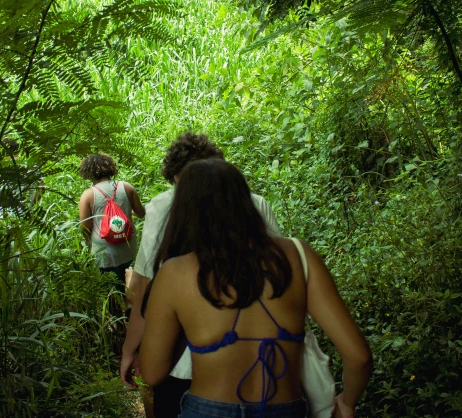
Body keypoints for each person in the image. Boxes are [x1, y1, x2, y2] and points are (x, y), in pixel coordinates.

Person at [140, 159, 372, 418]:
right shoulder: (298, 255)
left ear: (185, 210)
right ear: (244, 201)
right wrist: (347, 402)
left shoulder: (175, 272)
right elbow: (359, 356)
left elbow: (151, 372)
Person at [120, 133, 282, 418]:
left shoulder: (162, 207)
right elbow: (280, 280)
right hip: (256, 359)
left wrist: (131, 350)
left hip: (182, 364)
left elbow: (145, 288)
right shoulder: (255, 205)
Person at [78, 153, 145, 290]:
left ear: (89, 172)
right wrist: (127, 212)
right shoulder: (127, 187)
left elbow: (84, 227)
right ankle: (131, 308)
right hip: (127, 246)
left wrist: (89, 243)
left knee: (111, 292)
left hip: (104, 252)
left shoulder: (88, 195)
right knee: (130, 284)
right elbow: (141, 213)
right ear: (111, 167)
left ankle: (115, 311)